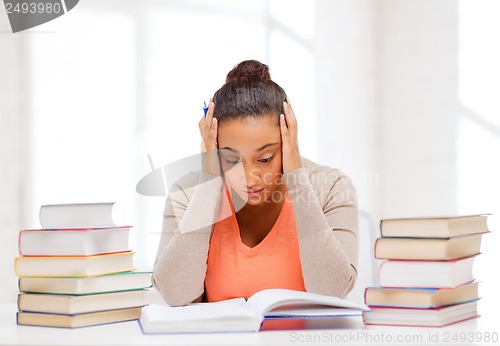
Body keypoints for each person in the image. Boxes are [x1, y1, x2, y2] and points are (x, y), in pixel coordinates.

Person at [152, 60, 359, 307]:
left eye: (265, 158)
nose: (250, 178)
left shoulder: (332, 187)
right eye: (231, 159)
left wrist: (296, 176)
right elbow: (176, 295)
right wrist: (208, 181)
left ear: (288, 138)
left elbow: (332, 292)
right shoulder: (186, 194)